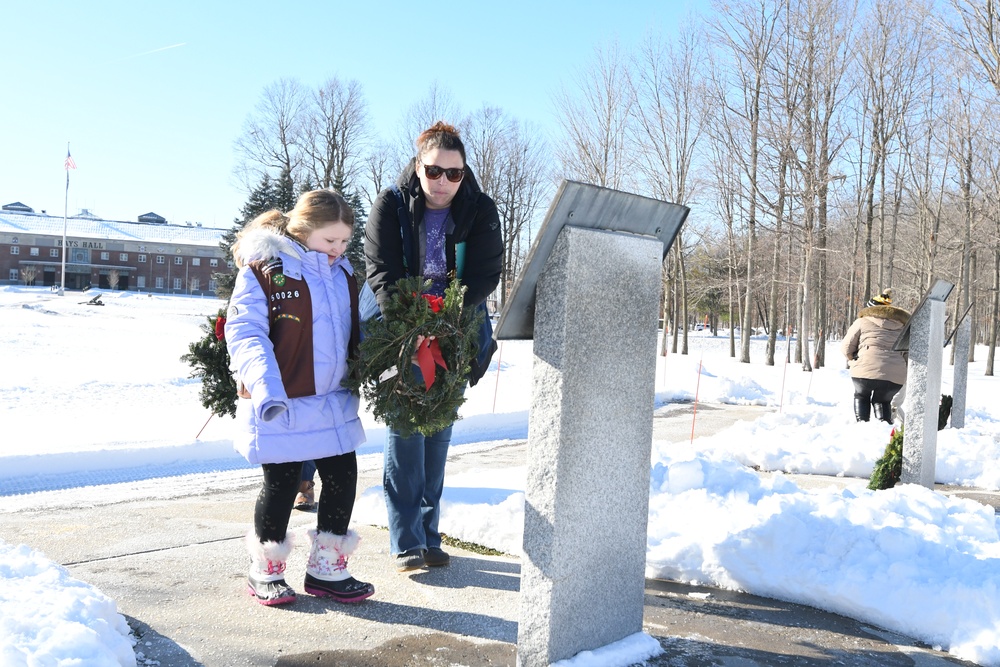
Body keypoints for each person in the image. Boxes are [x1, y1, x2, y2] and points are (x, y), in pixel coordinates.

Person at [365, 121, 503, 572]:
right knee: (406, 431)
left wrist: (447, 320)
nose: (443, 182)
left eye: (454, 173)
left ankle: (430, 533)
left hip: (456, 327)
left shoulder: (480, 209)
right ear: (418, 165)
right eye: (434, 171)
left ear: (464, 172)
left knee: (438, 432)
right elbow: (381, 268)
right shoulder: (390, 204)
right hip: (403, 329)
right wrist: (410, 324)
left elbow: (485, 274)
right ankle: (406, 540)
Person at [225, 189, 374, 605]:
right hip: (282, 400)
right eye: (330, 241)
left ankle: (328, 568)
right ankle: (266, 568)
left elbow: (353, 335)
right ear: (304, 231)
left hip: (331, 401)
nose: (338, 249)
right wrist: (266, 386)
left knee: (343, 477)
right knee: (282, 483)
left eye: (345, 242)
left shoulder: (344, 274)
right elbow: (245, 333)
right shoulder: (265, 272)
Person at [841, 288, 910, 424]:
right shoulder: (903, 326)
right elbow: (907, 354)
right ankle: (883, 426)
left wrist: (853, 358)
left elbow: (846, 347)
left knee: (861, 395)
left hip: (864, 371)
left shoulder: (862, 321)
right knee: (883, 401)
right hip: (894, 375)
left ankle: (862, 425)